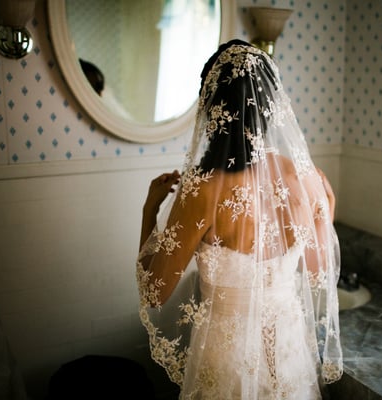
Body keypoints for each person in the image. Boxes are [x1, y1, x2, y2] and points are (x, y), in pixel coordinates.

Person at [136, 39, 343, 399]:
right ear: (271, 103)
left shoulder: (201, 190)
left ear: (211, 108)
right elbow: (318, 273)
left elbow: (154, 293)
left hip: (225, 360)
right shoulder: (306, 177)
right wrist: (327, 210)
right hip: (289, 356)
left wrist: (148, 213)